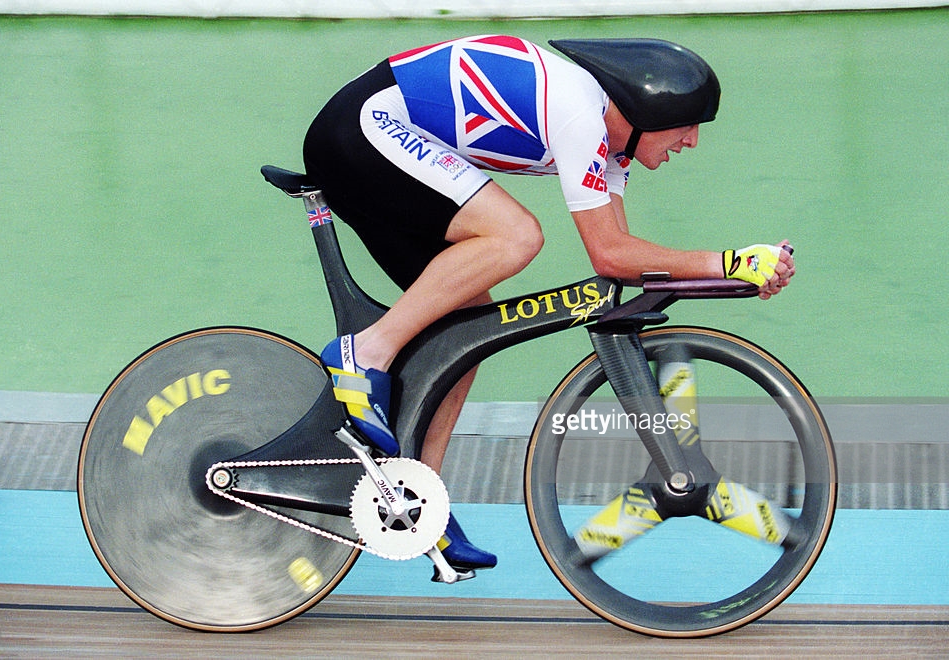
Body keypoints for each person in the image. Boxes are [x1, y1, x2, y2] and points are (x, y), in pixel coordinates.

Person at [302, 35, 795, 576]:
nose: (694, 141)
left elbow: (621, 259)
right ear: (649, 110)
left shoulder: (612, 149)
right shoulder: (581, 115)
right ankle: (363, 354)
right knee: (516, 236)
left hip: (375, 141)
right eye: (687, 124)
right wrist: (728, 260)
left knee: (460, 336)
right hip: (362, 128)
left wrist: (732, 271)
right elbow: (608, 252)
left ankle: (419, 501)